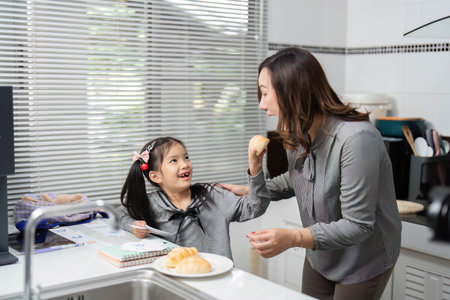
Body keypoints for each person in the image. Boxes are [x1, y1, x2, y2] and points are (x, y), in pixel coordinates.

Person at [220, 47, 402, 299]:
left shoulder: (356, 139)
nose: (262, 105)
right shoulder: (296, 130)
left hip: (363, 258)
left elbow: (358, 225)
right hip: (321, 254)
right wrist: (254, 186)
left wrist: (293, 238)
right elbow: (296, 179)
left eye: (264, 93)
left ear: (292, 91)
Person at [116, 136, 271, 260]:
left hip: (217, 279)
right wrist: (133, 225)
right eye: (174, 160)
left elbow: (256, 206)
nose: (185, 164)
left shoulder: (213, 195)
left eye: (186, 157)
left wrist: (255, 168)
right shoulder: (150, 204)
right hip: (174, 281)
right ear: (155, 176)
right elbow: (118, 214)